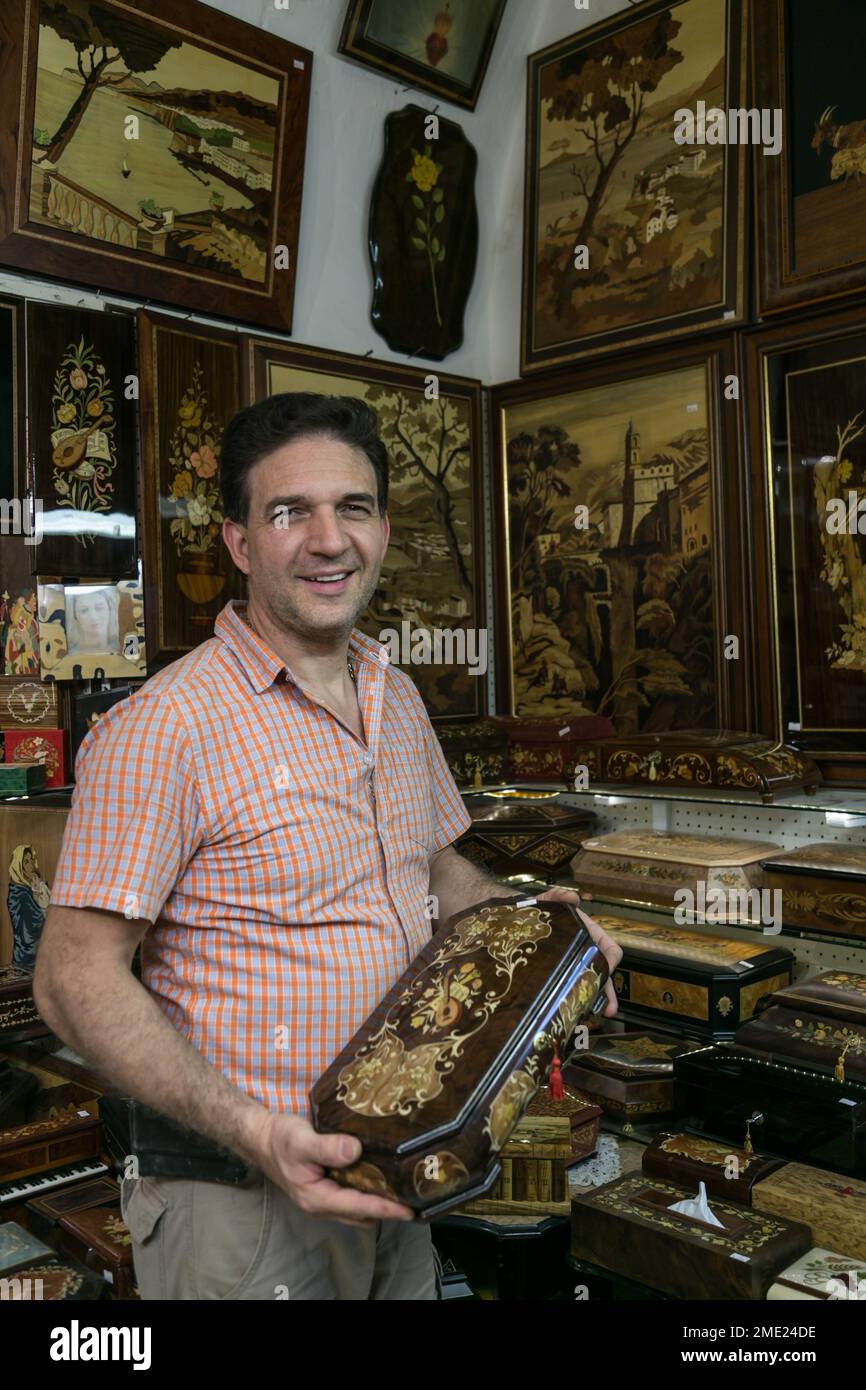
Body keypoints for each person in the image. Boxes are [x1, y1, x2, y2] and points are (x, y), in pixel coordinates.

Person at [34, 392, 621, 1301]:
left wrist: (533, 936)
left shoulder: (395, 695)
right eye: (288, 512)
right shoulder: (165, 728)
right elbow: (72, 980)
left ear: (382, 529)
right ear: (238, 542)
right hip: (243, 1205)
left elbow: (432, 868)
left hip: (400, 1176)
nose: (327, 539)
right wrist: (254, 1131)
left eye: (351, 508)